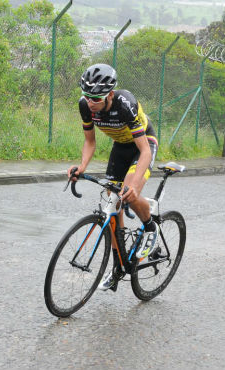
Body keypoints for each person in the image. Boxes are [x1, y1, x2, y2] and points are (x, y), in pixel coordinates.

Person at [67, 63, 159, 291]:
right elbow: (90, 141)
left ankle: (150, 227)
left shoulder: (126, 103)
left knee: (128, 192)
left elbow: (145, 151)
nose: (90, 102)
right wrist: (81, 167)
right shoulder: (85, 106)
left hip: (143, 144)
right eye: (86, 96)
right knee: (112, 202)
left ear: (109, 94)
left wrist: (135, 186)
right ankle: (119, 265)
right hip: (121, 146)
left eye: (96, 98)